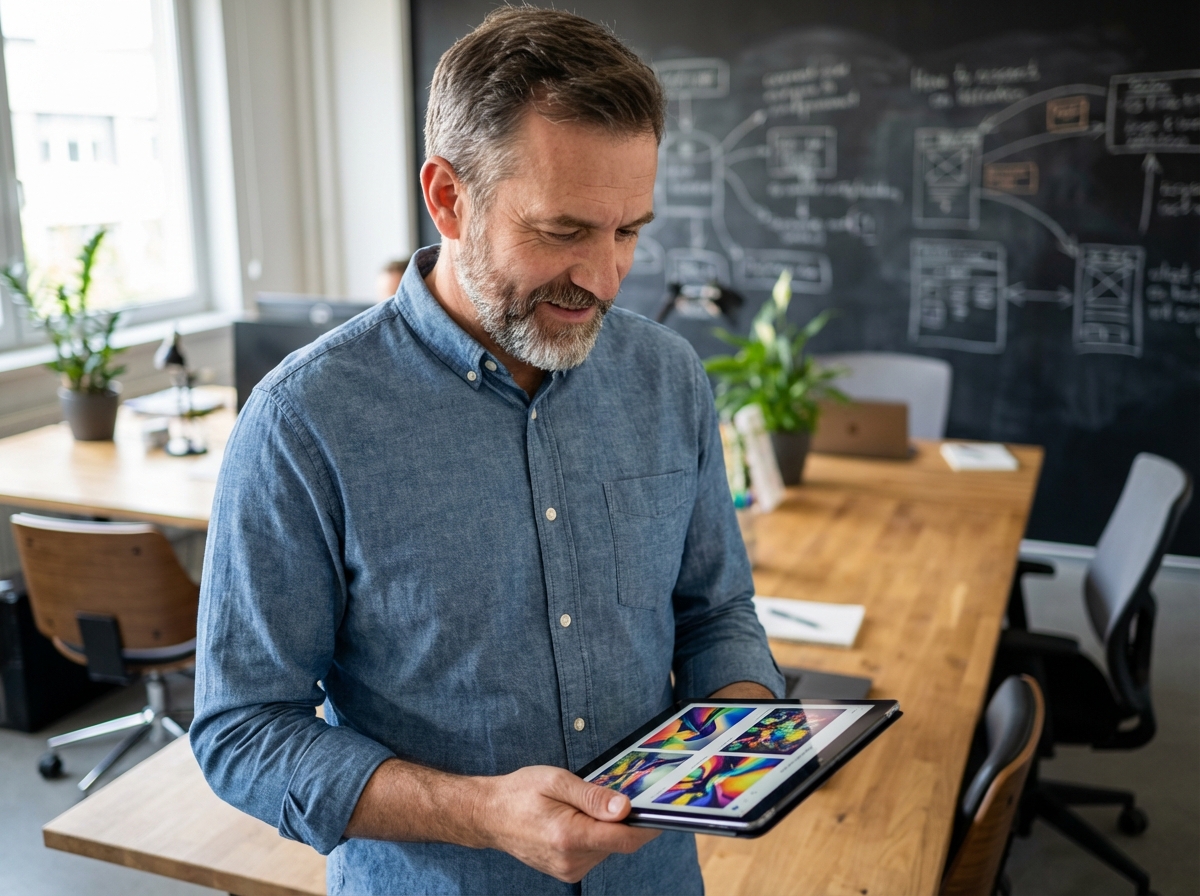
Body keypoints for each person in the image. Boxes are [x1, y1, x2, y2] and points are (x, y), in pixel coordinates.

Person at [192, 8, 783, 895]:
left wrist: (740, 717)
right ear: (447, 198)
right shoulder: (303, 420)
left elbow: (713, 610)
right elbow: (243, 732)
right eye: (563, 231)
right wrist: (476, 812)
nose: (606, 277)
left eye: (629, 231)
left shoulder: (668, 376)